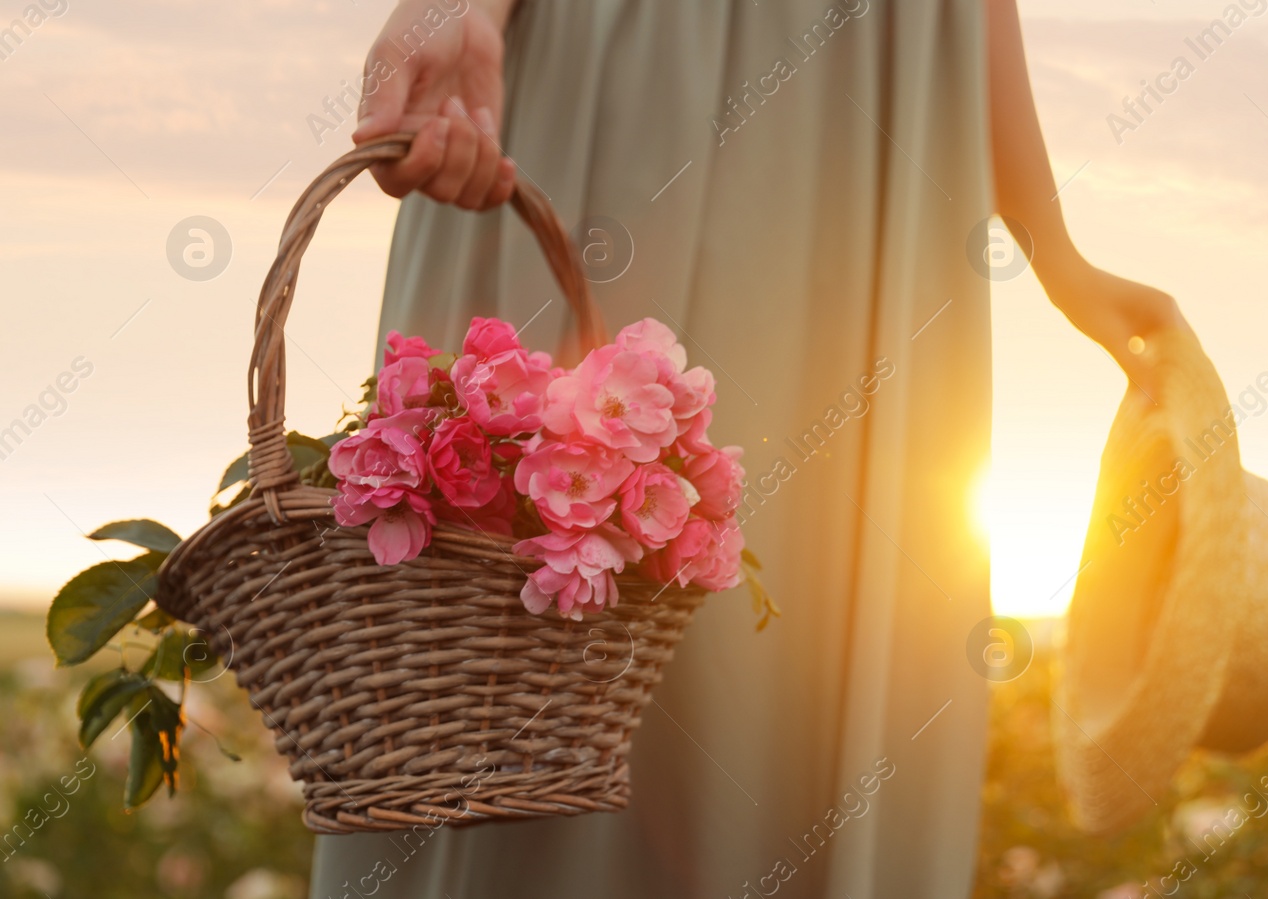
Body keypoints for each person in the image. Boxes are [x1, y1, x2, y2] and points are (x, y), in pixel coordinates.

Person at [309, 0, 1184, 896]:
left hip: (880, 107)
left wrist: (1055, 247)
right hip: (632, 63)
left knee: (797, 672)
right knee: (522, 650)